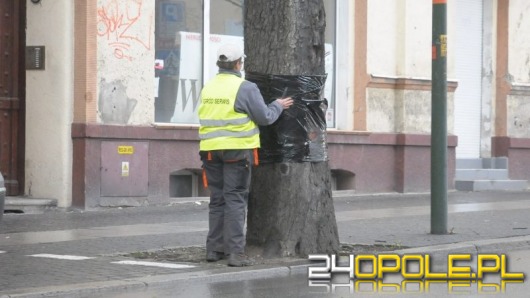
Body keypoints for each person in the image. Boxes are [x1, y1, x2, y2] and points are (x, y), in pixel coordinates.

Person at [198, 43, 293, 267]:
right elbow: (265, 117)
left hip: (209, 150)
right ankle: (235, 254)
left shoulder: (208, 87)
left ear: (219, 65)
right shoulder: (245, 87)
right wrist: (278, 105)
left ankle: (214, 250)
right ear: (238, 63)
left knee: (217, 200)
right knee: (235, 200)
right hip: (237, 151)